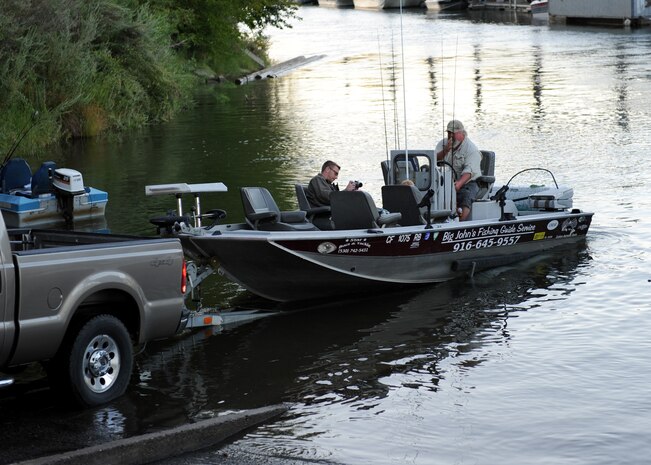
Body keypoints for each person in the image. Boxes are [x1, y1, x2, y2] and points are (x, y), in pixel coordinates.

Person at [435, 120, 482, 221]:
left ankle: (460, 223)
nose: (450, 136)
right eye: (449, 133)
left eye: (453, 133)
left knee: (466, 195)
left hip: (468, 181)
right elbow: (434, 159)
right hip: (446, 180)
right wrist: (445, 151)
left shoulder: (471, 149)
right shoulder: (443, 144)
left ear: (462, 133)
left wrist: (458, 184)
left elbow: (469, 172)